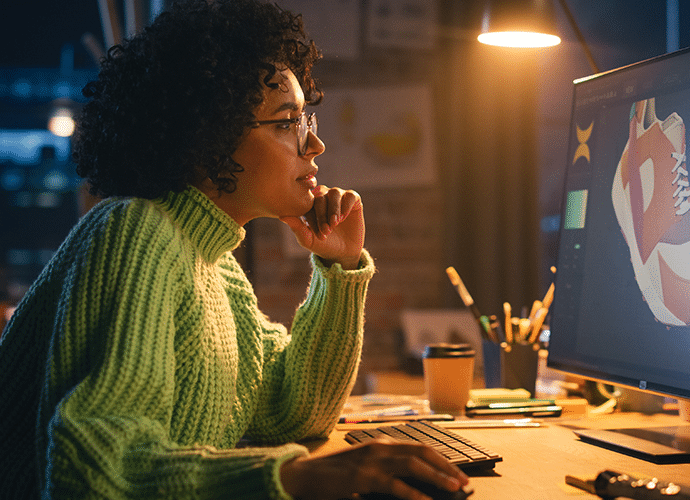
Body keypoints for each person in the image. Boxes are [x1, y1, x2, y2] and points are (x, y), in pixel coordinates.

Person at [0, 1, 469, 499]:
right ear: (210, 137)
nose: (315, 146)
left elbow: (294, 410)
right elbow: (92, 476)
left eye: (304, 120)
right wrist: (287, 479)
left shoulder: (214, 264)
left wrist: (340, 267)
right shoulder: (135, 235)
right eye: (287, 122)